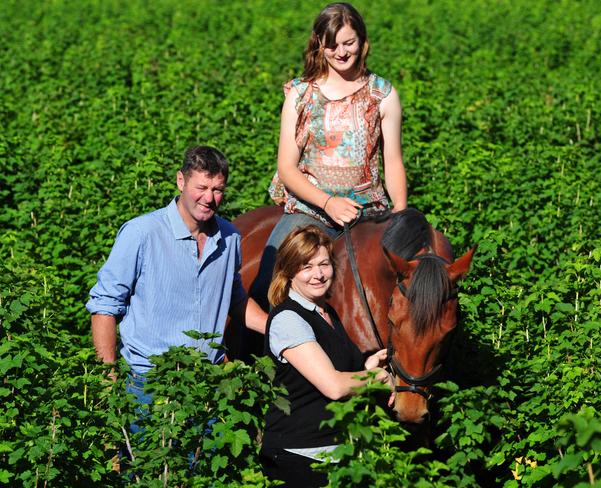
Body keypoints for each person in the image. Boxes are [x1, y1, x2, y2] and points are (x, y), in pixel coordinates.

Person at [252, 2, 408, 311]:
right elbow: (286, 167)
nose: (340, 52)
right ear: (319, 44)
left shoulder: (383, 94)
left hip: (369, 209)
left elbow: (393, 162)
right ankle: (265, 350)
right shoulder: (301, 94)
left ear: (362, 42)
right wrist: (328, 203)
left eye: (348, 43)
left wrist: (401, 214)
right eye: (331, 44)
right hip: (310, 210)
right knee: (268, 275)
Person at [86, 145, 267, 404]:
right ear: (181, 180)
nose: (209, 198)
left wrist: (278, 328)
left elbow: (234, 298)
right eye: (201, 188)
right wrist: (107, 381)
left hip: (209, 385)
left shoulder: (229, 237)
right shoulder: (142, 233)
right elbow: (104, 306)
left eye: (217, 190)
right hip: (149, 386)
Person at [260, 225, 394, 487]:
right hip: (300, 456)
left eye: (324, 264)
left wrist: (368, 364)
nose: (318, 275)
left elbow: (330, 368)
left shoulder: (326, 313)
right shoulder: (288, 319)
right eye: (306, 266)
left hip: (336, 454)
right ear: (288, 272)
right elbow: (333, 386)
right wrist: (377, 377)